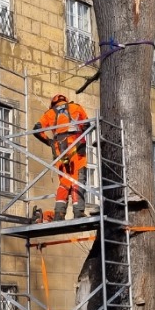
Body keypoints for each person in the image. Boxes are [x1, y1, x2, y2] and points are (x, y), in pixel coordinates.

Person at [32, 93, 91, 221]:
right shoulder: (76, 107)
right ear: (66, 101)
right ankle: (78, 211)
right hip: (77, 147)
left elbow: (36, 129)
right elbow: (87, 126)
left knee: (64, 182)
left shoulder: (50, 113)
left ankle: (59, 214)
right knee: (78, 179)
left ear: (53, 103)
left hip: (60, 150)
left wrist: (50, 142)